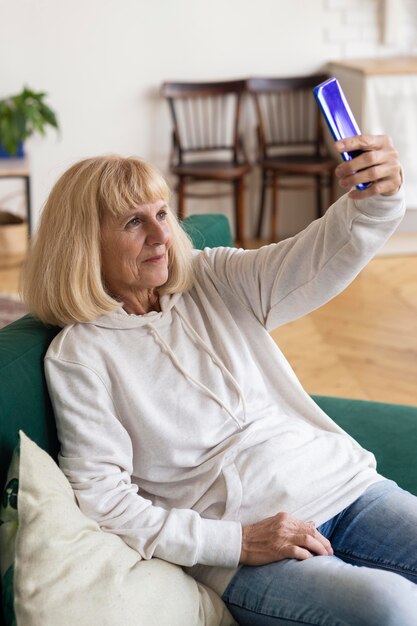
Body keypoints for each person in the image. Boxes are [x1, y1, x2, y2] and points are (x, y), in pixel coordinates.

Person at [22, 134, 417, 626]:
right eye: (133, 222)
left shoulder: (212, 278)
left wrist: (374, 199)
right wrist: (236, 542)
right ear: (84, 243)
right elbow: (105, 500)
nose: (162, 236)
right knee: (393, 607)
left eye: (162, 214)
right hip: (245, 548)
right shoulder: (80, 356)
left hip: (343, 486)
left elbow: (312, 257)